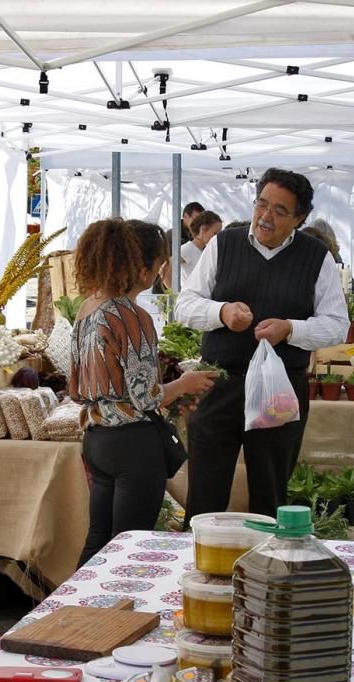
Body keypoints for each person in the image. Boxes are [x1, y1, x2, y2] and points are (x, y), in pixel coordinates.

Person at [176, 168, 349, 520]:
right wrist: (221, 312)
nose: (265, 216)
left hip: (280, 388)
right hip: (219, 382)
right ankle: (196, 566)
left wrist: (291, 329)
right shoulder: (223, 244)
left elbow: (337, 326)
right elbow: (185, 304)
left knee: (270, 494)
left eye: (280, 211)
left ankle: (268, 569)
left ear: (299, 218)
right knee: (205, 493)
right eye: (262, 204)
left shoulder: (317, 258)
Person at [69, 219, 216, 566]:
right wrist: (184, 384)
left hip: (97, 440)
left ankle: (76, 615)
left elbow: (78, 385)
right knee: (130, 549)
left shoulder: (87, 308)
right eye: (161, 263)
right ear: (143, 267)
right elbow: (146, 397)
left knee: (99, 543)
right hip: (133, 446)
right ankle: (117, 616)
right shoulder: (131, 316)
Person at [179, 210, 223, 284]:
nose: (217, 237)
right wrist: (176, 292)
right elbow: (165, 268)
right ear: (203, 229)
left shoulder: (205, 250)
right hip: (189, 294)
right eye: (215, 233)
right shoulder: (188, 249)